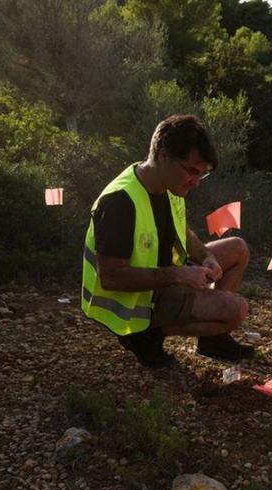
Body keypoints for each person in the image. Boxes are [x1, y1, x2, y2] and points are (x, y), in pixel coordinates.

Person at [81, 114, 255, 367]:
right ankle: (145, 335)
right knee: (235, 310)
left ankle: (213, 340)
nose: (196, 182)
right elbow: (112, 278)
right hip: (133, 303)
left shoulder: (170, 186)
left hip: (162, 280)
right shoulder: (120, 201)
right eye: (191, 171)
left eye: (202, 175)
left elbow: (183, 233)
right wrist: (177, 275)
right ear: (163, 155)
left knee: (238, 248)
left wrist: (206, 257)